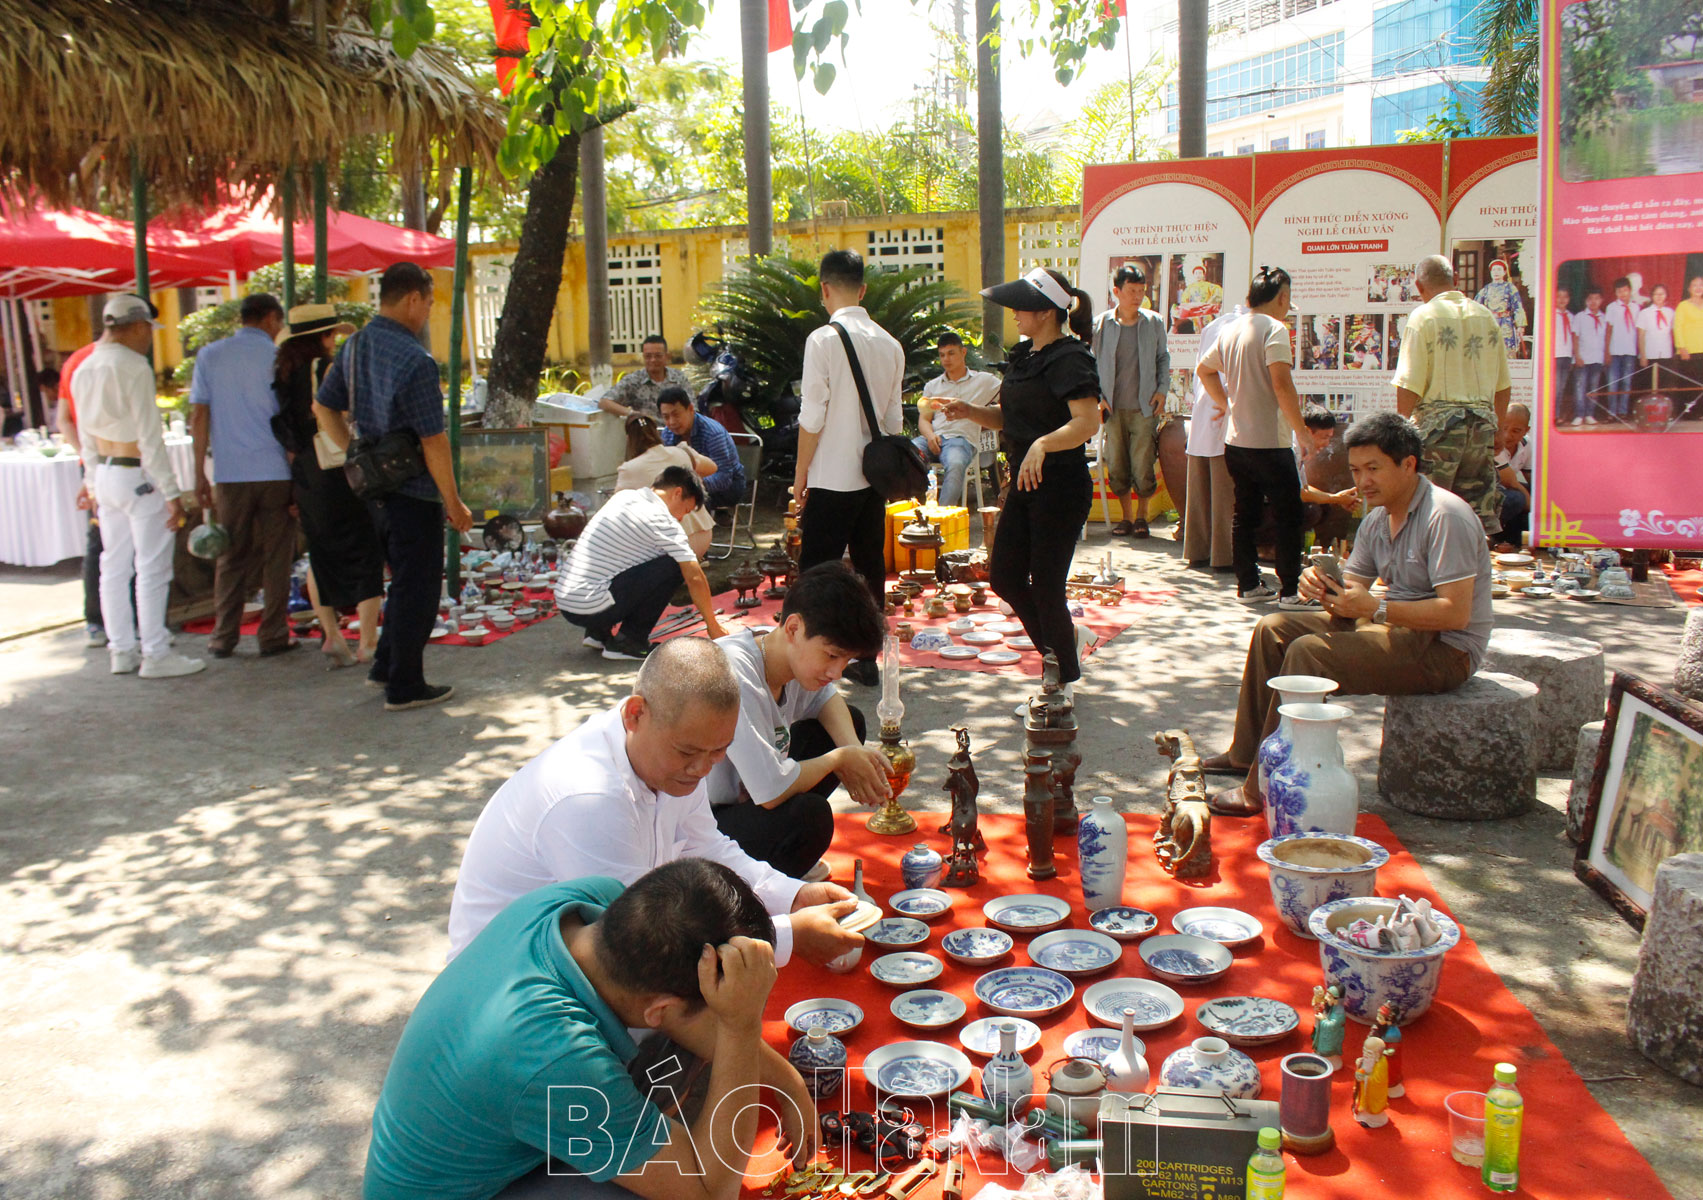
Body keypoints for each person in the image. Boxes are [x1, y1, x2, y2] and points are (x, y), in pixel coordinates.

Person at [367, 858, 816, 1200]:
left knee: (682, 1054)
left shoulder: (587, 905)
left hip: (497, 1132)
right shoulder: (559, 1058)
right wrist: (740, 1024)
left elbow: (687, 1029)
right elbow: (709, 1191)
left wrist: (789, 1083)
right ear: (660, 1008)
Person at [445, 636, 863, 968]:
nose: (702, 769)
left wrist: (792, 896)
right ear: (635, 714)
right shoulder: (590, 798)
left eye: (719, 751)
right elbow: (636, 943)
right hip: (509, 985)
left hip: (581, 949)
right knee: (703, 1002)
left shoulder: (670, 755)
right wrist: (785, 935)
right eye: (688, 752)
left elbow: (708, 850)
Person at [1201, 413, 1491, 815]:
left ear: (1408, 465)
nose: (1363, 480)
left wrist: (1378, 608)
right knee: (1274, 627)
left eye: (1374, 469)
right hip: (1397, 628)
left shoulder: (1445, 516)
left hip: (1447, 649)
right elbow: (1352, 591)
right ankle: (1244, 754)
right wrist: (1319, 586)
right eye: (1356, 470)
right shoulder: (1377, 518)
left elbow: (1455, 613)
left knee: (1310, 653)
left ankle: (1262, 786)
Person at [314, 261, 474, 712]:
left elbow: (323, 407)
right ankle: (404, 684)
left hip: (373, 489)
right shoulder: (415, 360)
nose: (428, 312)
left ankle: (385, 665)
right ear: (412, 299)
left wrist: (356, 452)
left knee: (400, 582)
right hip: (414, 489)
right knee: (416, 588)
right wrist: (453, 501)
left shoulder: (355, 345)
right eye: (428, 302)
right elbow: (433, 440)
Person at [942, 267, 1100, 696]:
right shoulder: (1025, 355)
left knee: (1046, 584)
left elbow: (1088, 421)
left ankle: (1062, 679)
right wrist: (970, 411)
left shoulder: (1071, 357)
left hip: (1061, 486)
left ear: (1046, 311)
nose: (1013, 313)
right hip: (1026, 484)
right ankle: (1064, 645)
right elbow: (1010, 419)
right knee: (1005, 578)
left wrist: (1044, 444)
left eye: (1021, 306)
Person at [709, 563, 891, 878]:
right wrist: (840, 759)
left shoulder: (786, 655)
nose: (836, 672)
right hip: (696, 826)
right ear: (793, 628)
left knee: (850, 723)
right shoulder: (734, 672)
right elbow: (770, 790)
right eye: (832, 656)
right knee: (811, 819)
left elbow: (826, 699)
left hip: (747, 797)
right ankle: (761, 878)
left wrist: (852, 751)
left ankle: (780, 851)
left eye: (845, 660)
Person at [72, 295, 205, 679]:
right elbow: (150, 438)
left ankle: (122, 649)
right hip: (136, 474)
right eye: (147, 328)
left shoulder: (85, 366)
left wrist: (92, 482)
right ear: (134, 326)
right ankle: (155, 652)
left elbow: (86, 438)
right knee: (151, 568)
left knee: (113, 566)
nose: (149, 337)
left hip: (108, 476)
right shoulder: (132, 366)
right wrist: (171, 493)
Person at [793, 249, 904, 688]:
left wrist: (800, 475)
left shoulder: (822, 340)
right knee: (869, 564)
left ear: (824, 289)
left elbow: (812, 417)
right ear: (862, 289)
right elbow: (895, 422)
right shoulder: (890, 344)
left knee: (815, 570)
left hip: (831, 476)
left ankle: (804, 658)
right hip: (873, 477)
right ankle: (866, 657)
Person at [271, 303, 385, 668]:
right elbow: (335, 412)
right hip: (336, 468)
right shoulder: (325, 367)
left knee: (320, 553)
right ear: (323, 337)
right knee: (365, 548)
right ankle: (368, 639)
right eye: (332, 335)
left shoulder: (284, 373)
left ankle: (332, 634)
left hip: (305, 471)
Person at [190, 292, 298, 659]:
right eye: (279, 323)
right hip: (275, 470)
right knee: (277, 555)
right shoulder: (278, 357)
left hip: (230, 472)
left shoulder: (210, 355)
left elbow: (199, 417)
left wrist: (198, 474)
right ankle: (273, 634)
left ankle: (223, 636)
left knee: (231, 555)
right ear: (270, 318)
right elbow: (289, 420)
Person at [1194, 266, 1310, 607]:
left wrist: (1225, 402)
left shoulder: (1232, 329)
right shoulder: (1274, 329)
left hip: (1236, 443)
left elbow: (1204, 369)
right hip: (1270, 444)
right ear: (1283, 297)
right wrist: (1301, 432)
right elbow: (1282, 384)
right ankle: (1290, 591)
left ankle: (1248, 585)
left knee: (1244, 514)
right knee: (1290, 516)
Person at [1392, 254, 1511, 540]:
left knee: (1429, 510)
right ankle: (1473, 577)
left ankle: (1430, 578)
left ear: (1419, 287)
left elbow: (1409, 383)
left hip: (1439, 430)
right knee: (1473, 516)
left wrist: (1399, 433)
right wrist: (1499, 428)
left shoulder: (1423, 317)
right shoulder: (1485, 316)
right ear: (1456, 281)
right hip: (1481, 427)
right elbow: (1502, 385)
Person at [556, 466, 727, 660]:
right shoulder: (662, 520)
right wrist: (713, 626)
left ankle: (598, 633)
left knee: (631, 560)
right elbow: (694, 576)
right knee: (674, 565)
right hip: (591, 607)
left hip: (567, 601)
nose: (680, 518)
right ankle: (629, 641)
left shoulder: (624, 497)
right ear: (677, 493)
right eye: (685, 511)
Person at [1090, 263, 1171, 538]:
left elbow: (1163, 358)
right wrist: (1098, 398)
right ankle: (1124, 518)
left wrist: (1162, 389)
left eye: (1141, 291)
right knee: (1117, 465)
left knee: (1143, 463)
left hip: (1144, 406)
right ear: (1117, 291)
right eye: (1132, 290)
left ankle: (1141, 517)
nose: (1137, 296)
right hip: (1112, 407)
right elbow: (1090, 364)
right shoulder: (1100, 325)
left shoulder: (1154, 322)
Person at [57, 336, 109, 648]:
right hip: (113, 463)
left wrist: (85, 459)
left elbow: (63, 419)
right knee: (109, 544)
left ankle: (97, 622)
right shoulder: (115, 361)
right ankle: (98, 620)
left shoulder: (76, 361)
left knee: (101, 543)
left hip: (93, 462)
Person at [1182, 304, 1243, 571]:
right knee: (1224, 492)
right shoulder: (1241, 328)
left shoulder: (1213, 326)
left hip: (1205, 411)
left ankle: (1198, 550)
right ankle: (1224, 555)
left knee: (1200, 491)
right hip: (1224, 410)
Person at [913, 332, 999, 507]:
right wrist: (930, 436)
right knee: (907, 453)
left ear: (963, 352)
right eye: (942, 355)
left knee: (955, 462)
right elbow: (924, 420)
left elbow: (1011, 392)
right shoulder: (933, 386)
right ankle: (916, 510)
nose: (946, 359)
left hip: (962, 440)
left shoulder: (983, 380)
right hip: (934, 437)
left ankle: (942, 518)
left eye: (951, 353)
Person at [617, 412, 717, 558]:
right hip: (703, 534)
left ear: (628, 439)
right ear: (656, 432)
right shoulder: (681, 452)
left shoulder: (629, 469)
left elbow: (615, 511)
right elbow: (712, 468)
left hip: (671, 544)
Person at [658, 386, 745, 509]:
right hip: (686, 485)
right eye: (666, 417)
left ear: (691, 409)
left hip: (729, 487)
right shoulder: (668, 433)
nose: (671, 422)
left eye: (676, 415)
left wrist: (691, 486)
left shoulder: (713, 433)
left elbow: (724, 477)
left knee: (687, 501)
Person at [598, 335, 692, 420]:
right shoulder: (634, 380)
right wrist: (633, 414)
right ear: (643, 356)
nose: (653, 360)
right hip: (646, 435)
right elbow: (604, 402)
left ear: (667, 356)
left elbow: (692, 409)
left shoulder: (679, 379)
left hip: (675, 433)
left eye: (658, 356)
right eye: (648, 356)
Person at [1493, 403, 1532, 550]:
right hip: (1486, 492)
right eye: (1504, 428)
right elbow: (1512, 483)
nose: (1508, 435)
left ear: (1526, 430)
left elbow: (1534, 480)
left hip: (1507, 488)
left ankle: (1522, 539)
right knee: (1517, 498)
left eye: (1516, 431)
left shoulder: (1527, 444)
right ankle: (1496, 536)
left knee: (1540, 493)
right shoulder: (1495, 444)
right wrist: (1537, 512)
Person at [1603, 276, 1641, 422]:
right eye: (1619, 291)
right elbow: (1608, 330)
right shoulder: (1611, 307)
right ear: (1615, 293)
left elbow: (1638, 330)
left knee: (1626, 382)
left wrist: (1639, 351)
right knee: (1613, 382)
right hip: (1614, 351)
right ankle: (1611, 412)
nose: (1623, 294)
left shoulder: (1636, 307)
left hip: (1630, 351)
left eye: (1625, 290)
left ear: (1630, 291)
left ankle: (1623, 412)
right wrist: (1606, 351)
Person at [1569, 287, 1609, 425]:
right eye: (1590, 299)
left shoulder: (1604, 318)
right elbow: (1575, 337)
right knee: (1580, 387)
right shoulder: (1580, 317)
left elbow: (1606, 339)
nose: (1593, 302)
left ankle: (1590, 414)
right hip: (1582, 358)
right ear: (1586, 301)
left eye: (1597, 299)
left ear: (1601, 300)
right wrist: (1577, 355)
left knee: (1594, 388)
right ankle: (1579, 415)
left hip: (1597, 358)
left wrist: (1605, 356)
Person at [1474, 259, 1527, 359]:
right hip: (1490, 323)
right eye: (1493, 270)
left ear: (1504, 272)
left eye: (1499, 270)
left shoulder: (1510, 288)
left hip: (1506, 323)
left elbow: (1518, 306)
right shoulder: (1486, 289)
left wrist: (1520, 325)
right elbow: (1476, 306)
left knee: (1507, 352)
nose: (1496, 272)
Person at [1636, 283, 1676, 397]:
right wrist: (1643, 355)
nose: (1659, 296)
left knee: (1664, 385)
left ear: (1666, 296)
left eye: (1662, 294)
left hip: (1665, 354)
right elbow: (1641, 336)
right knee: (1648, 386)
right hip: (1649, 354)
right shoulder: (1644, 313)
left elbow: (1675, 332)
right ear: (1652, 296)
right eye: (1656, 294)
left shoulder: (1670, 312)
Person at [1551, 287, 1576, 425]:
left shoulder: (1571, 317)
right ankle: (1551, 416)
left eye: (1565, 296)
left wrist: (1572, 358)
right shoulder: (1550, 316)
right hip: (1554, 356)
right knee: (1554, 387)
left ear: (1569, 299)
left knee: (1561, 388)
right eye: (1558, 296)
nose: (1561, 299)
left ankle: (1557, 414)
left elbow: (1573, 338)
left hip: (1566, 356)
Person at [1676, 276, 1703, 388]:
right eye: (1695, 285)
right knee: (1690, 386)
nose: (1698, 288)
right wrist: (1682, 347)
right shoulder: (1683, 306)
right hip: (1688, 352)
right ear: (1689, 288)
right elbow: (1677, 327)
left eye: (1701, 285)